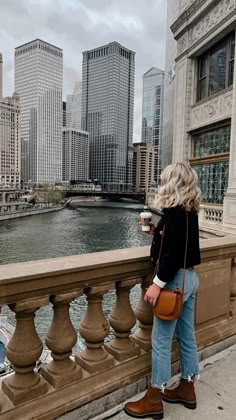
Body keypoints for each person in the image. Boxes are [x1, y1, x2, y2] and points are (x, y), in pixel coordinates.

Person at [124, 162, 201, 419]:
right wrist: (156, 233)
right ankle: (187, 388)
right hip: (189, 278)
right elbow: (179, 244)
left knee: (160, 341)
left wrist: (157, 285)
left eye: (164, 179)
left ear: (173, 182)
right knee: (187, 335)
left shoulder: (175, 212)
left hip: (173, 281)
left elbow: (173, 254)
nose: (160, 183)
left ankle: (155, 397)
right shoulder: (189, 211)